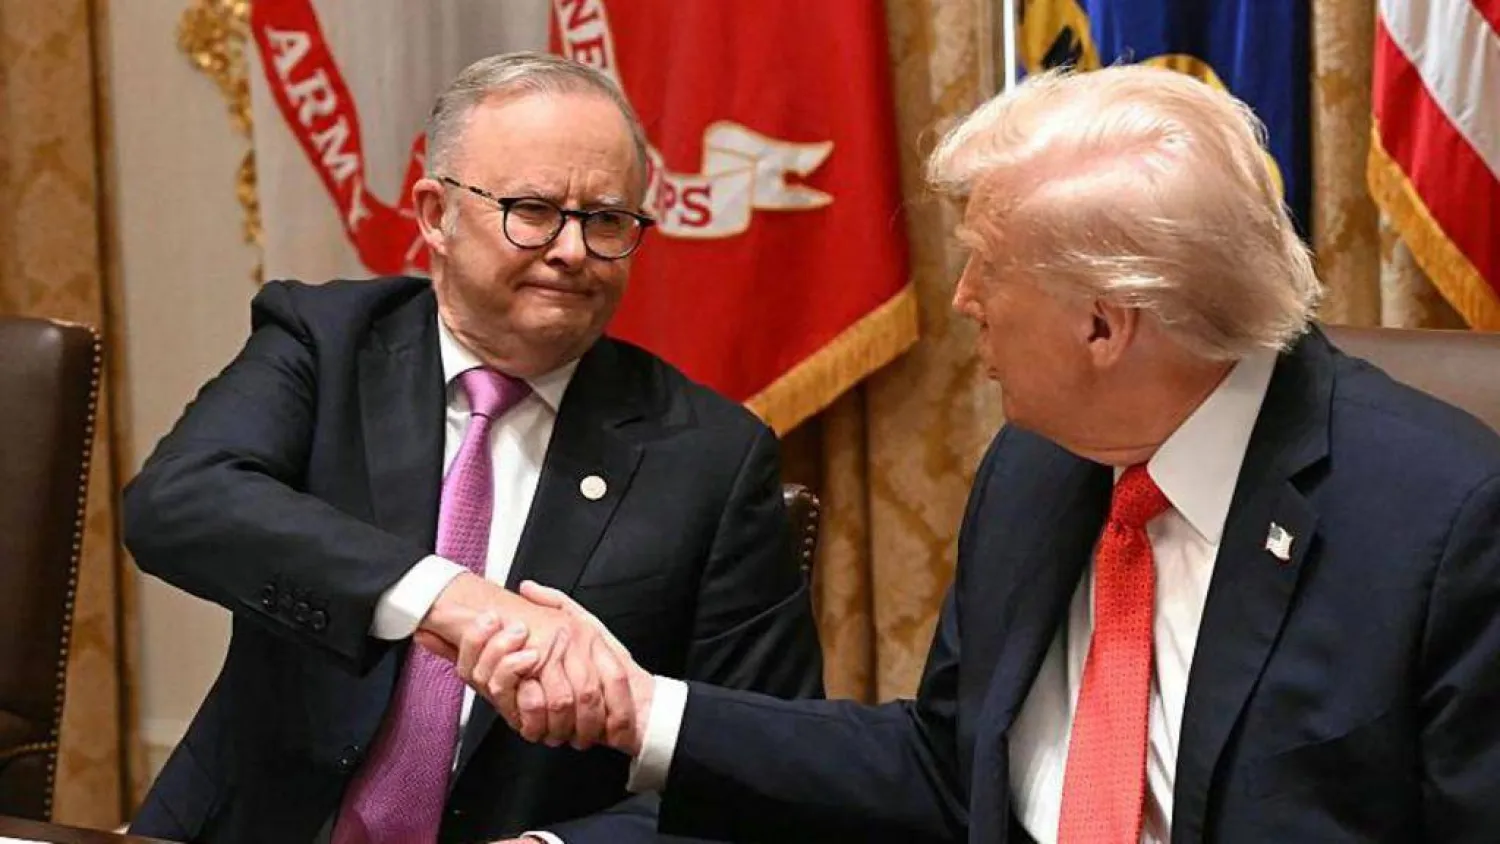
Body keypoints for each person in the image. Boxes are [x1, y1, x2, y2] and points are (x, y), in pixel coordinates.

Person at [459, 65, 1500, 843]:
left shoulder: (1444, 526)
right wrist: (642, 707)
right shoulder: (1043, 465)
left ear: (1105, 325)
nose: (964, 302)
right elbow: (945, 765)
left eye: (988, 267)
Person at [123, 51, 822, 844]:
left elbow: (762, 769)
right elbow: (177, 502)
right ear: (435, 214)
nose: (571, 250)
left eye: (606, 221)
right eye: (533, 209)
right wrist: (451, 599)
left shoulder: (711, 457)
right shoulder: (328, 343)